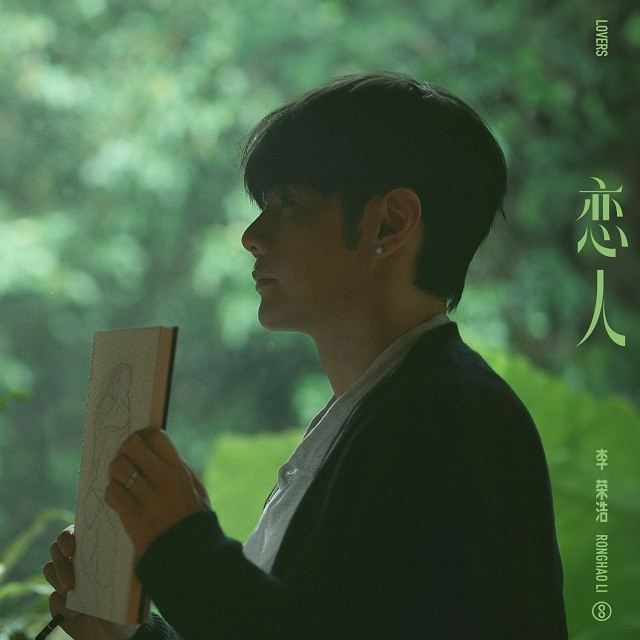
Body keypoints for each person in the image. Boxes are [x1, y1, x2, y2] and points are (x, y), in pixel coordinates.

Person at [44, 71, 568, 639]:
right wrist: (125, 634)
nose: (252, 234)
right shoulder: (390, 408)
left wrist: (182, 544)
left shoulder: (452, 417)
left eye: (288, 204)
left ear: (390, 222)